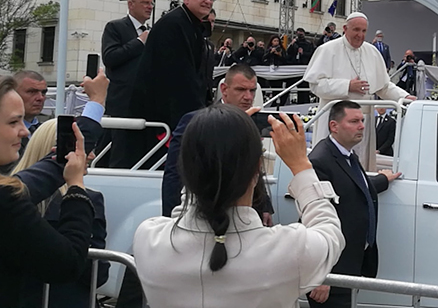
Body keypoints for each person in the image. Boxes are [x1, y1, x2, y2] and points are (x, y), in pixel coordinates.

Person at [133, 106, 345, 308]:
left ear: (187, 169)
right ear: (257, 169)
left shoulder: (149, 238)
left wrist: (214, 134)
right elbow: (329, 230)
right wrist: (301, 165)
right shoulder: (288, 251)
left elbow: (186, 205)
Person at [0, 76, 95, 308]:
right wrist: (76, 188)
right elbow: (66, 264)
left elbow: (29, 182)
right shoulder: (6, 201)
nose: (24, 132)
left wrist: (61, 163)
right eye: (13, 122)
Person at [306, 101, 401, 308]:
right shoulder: (320, 161)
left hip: (350, 261)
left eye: (362, 121)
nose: (362, 126)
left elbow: (354, 186)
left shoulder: (347, 154)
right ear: (334, 126)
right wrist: (323, 274)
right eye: (354, 121)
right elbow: (314, 219)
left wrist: (383, 180)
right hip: (333, 269)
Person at [12, 120, 110, 308]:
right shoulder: (87, 199)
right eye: (82, 147)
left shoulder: (11, 194)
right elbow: (98, 274)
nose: (91, 155)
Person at [121, 0, 215, 168]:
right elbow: (177, 77)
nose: (208, 1)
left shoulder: (191, 25)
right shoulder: (173, 24)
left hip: (180, 112)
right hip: (163, 116)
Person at [162, 64, 273, 220]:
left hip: (246, 218)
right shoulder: (194, 121)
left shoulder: (251, 122)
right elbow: (174, 173)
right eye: (241, 90)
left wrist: (264, 205)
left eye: (252, 90)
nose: (248, 97)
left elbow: (253, 170)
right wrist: (171, 218)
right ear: (224, 89)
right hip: (200, 214)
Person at [304, 12, 414, 145]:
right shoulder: (327, 49)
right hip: (335, 122)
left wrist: (405, 97)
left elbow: (383, 86)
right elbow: (316, 86)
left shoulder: (372, 52)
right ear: (345, 29)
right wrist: (347, 86)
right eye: (356, 30)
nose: (360, 35)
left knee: (360, 163)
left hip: (363, 122)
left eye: (364, 31)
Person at [0, 70, 107, 175]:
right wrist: (96, 100)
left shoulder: (47, 129)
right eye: (31, 92)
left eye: (43, 92)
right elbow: (48, 173)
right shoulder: (12, 179)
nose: (40, 98)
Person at [99, 0, 153, 166]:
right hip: (123, 102)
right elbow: (111, 57)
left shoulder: (153, 32)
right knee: (119, 153)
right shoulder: (115, 27)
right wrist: (139, 42)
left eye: (151, 3)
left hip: (146, 102)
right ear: (131, 5)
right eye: (145, 2)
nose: (150, 6)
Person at [287, 28, 315, 103]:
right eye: (298, 33)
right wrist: (292, 44)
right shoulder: (294, 43)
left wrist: (303, 53)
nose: (300, 34)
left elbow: (312, 54)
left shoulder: (308, 44)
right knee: (290, 87)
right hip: (294, 67)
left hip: (304, 67)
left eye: (301, 33)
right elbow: (288, 53)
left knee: (304, 89)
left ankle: (305, 103)